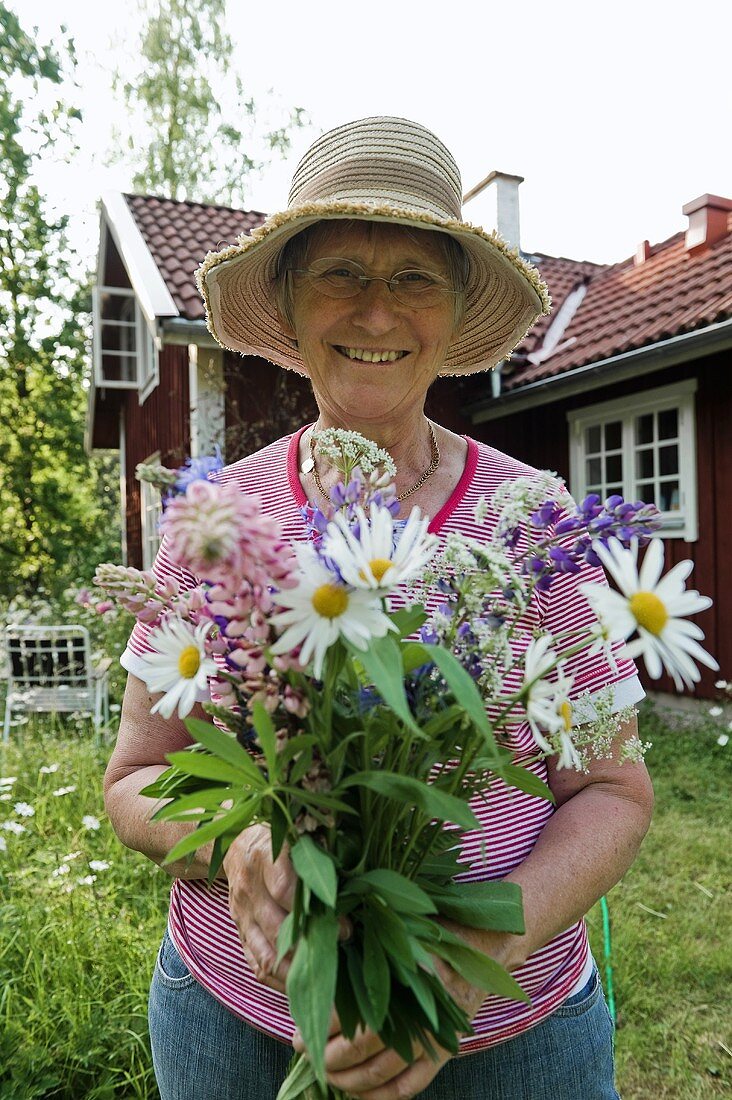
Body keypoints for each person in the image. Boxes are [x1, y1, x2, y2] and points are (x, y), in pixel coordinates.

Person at [104, 116, 653, 1100]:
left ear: (450, 314)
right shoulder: (214, 518)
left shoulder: (535, 521)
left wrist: (478, 941)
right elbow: (136, 778)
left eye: (413, 278)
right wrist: (238, 840)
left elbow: (613, 788)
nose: (377, 311)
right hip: (239, 1030)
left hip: (508, 1037)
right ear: (288, 304)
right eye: (340, 274)